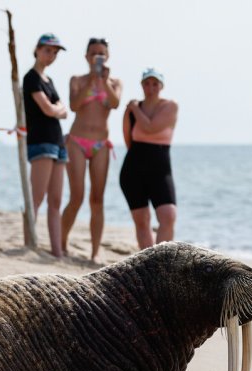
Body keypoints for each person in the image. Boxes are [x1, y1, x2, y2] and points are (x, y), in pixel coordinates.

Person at [60, 37, 122, 263]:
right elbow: (75, 105)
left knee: (97, 199)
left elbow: (114, 104)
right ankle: (61, 242)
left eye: (102, 53)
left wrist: (103, 81)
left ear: (108, 56)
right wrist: (92, 81)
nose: (98, 57)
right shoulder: (77, 80)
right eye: (94, 53)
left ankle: (95, 251)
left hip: (101, 144)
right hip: (77, 140)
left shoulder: (114, 82)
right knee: (76, 196)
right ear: (86, 57)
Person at [120, 68, 179, 249]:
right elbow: (128, 138)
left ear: (161, 86)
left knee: (168, 215)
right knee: (142, 220)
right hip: (134, 167)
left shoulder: (169, 106)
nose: (151, 87)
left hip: (160, 168)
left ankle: (162, 261)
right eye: (147, 83)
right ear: (141, 85)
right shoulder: (131, 111)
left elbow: (151, 128)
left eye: (155, 83)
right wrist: (133, 109)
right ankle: (148, 267)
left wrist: (135, 108)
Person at [23, 33, 69, 257]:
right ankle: (29, 243)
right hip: (41, 140)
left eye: (55, 52)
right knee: (37, 196)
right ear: (38, 49)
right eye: (48, 50)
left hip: (57, 141)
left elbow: (63, 109)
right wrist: (57, 109)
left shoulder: (48, 80)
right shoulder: (31, 78)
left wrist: (57, 109)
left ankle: (57, 250)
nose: (51, 55)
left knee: (56, 199)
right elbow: (50, 109)